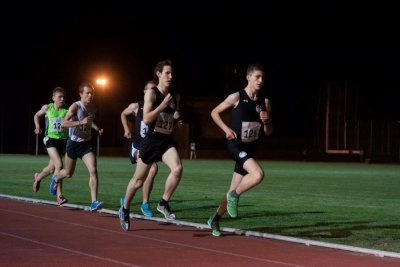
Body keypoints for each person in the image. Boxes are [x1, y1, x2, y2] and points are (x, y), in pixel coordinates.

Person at [207, 64, 273, 237]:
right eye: (257, 77)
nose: (260, 80)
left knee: (231, 191)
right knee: (258, 175)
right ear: (248, 77)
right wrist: (226, 130)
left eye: (262, 78)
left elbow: (268, 132)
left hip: (250, 150)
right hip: (236, 146)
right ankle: (235, 195)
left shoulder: (264, 102)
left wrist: (266, 122)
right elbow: (214, 112)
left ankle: (214, 219)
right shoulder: (237, 96)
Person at [119, 59, 182, 231]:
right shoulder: (152, 94)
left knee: (177, 169)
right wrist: (162, 105)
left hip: (167, 141)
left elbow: (171, 116)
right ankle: (124, 209)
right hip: (151, 142)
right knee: (138, 181)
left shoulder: (175, 95)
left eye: (172, 73)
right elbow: (146, 118)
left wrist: (175, 116)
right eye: (167, 73)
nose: (170, 76)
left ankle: (163, 203)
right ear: (158, 74)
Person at [49, 83, 104, 212]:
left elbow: (89, 121)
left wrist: (97, 128)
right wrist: (80, 122)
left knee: (93, 170)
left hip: (86, 144)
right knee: (68, 174)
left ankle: (94, 202)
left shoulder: (94, 107)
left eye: (92, 93)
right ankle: (56, 178)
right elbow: (63, 123)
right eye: (87, 93)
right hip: (73, 144)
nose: (90, 95)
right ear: (81, 94)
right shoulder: (75, 106)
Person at [120, 80, 159, 217]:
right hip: (137, 147)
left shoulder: (158, 108)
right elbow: (123, 114)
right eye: (150, 90)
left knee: (139, 178)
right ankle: (145, 204)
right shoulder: (137, 106)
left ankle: (126, 198)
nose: (154, 93)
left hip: (151, 147)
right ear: (145, 92)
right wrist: (126, 128)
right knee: (153, 168)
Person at [33, 86, 69, 206]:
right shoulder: (47, 107)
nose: (62, 99)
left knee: (51, 169)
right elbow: (36, 116)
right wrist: (38, 127)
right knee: (59, 165)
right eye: (59, 97)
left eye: (63, 97)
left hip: (63, 141)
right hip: (50, 140)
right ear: (53, 98)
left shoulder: (66, 110)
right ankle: (59, 196)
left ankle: (38, 177)